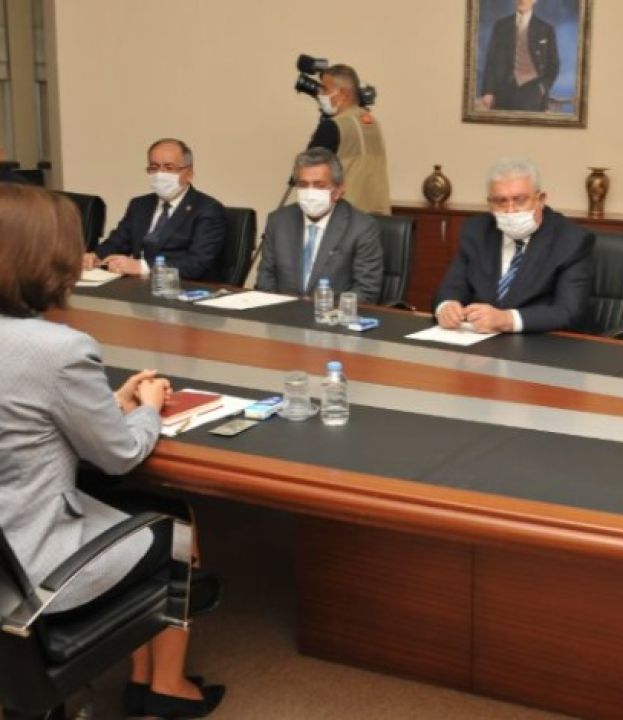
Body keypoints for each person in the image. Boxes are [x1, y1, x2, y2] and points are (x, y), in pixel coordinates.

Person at [0, 184, 225, 718]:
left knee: (130, 504)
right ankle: (164, 686)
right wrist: (146, 407)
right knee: (174, 520)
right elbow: (120, 455)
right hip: (32, 564)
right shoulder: (58, 349)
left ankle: (148, 678)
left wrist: (106, 404)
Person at [434, 157, 593, 333]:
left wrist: (507, 319)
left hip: (540, 341)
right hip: (478, 340)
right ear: (489, 203)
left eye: (520, 200)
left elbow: (568, 312)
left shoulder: (571, 240)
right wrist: (446, 307)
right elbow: (452, 286)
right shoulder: (476, 230)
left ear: (540, 199)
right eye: (500, 201)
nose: (510, 210)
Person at [83, 138, 227, 281]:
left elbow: (196, 263)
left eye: (169, 168)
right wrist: (96, 256)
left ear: (189, 173)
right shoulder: (140, 205)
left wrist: (142, 267)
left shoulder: (207, 209)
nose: (160, 174)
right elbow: (117, 242)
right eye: (154, 167)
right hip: (137, 285)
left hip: (181, 287)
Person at [255, 148, 384, 303]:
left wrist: (325, 313)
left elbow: (366, 291)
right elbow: (265, 278)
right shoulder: (278, 221)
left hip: (333, 315)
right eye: (303, 185)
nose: (310, 193)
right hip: (281, 313)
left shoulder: (362, 227)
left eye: (319, 185)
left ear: (339, 189)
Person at [306, 63, 391, 215]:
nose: (320, 94)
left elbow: (309, 172)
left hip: (346, 218)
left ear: (344, 94)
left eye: (325, 89)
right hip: (379, 216)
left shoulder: (333, 126)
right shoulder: (373, 122)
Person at [479, 0, 560, 112]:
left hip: (533, 92)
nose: (522, 0)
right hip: (502, 91)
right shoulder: (501, 26)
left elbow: (554, 64)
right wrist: (488, 91)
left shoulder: (546, 29)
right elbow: (491, 61)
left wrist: (542, 87)